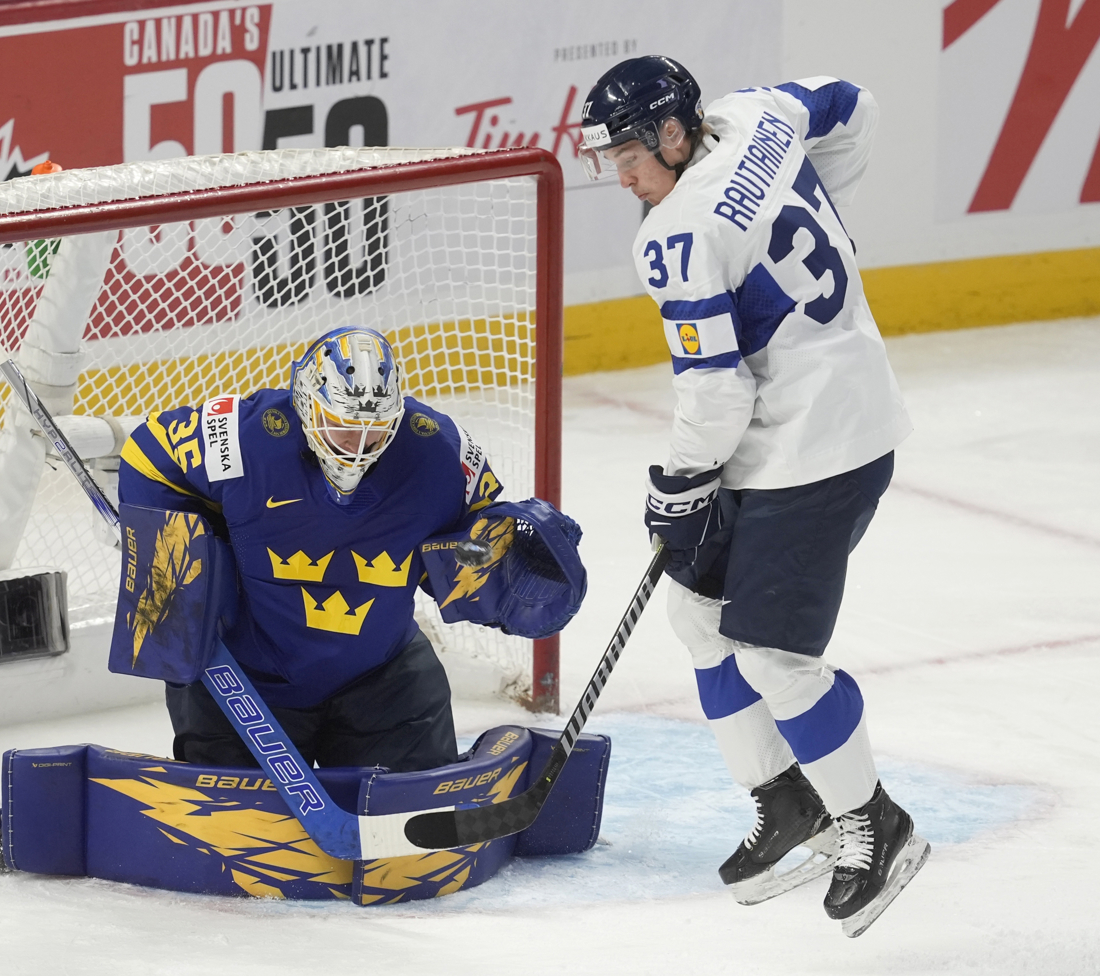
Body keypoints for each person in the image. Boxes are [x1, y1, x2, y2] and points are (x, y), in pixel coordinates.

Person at [579, 57, 929, 937]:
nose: (619, 174)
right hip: (799, 425)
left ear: (670, 132)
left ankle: (875, 824)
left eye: (628, 152)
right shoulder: (757, 115)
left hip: (820, 447)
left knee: (772, 657)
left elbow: (718, 395)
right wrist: (824, 218)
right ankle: (788, 799)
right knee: (699, 613)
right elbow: (855, 102)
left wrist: (679, 483)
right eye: (607, 156)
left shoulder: (676, 234)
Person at [115, 326, 583, 774]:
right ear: (306, 403)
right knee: (238, 835)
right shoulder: (241, 439)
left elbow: (475, 538)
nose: (358, 446)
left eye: (376, 430)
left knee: (416, 818)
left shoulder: (440, 450)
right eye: (342, 427)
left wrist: (510, 565)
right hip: (244, 682)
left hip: (383, 681)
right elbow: (145, 454)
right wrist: (165, 554)